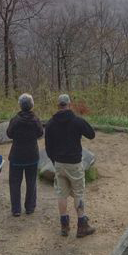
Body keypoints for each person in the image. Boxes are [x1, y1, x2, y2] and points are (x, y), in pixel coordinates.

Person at [44, 93, 96, 238]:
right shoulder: (77, 121)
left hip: (59, 163)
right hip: (74, 163)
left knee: (62, 194)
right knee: (78, 193)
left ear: (58, 105)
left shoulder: (51, 123)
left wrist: (54, 161)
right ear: (69, 104)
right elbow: (91, 134)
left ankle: (64, 226)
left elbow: (48, 147)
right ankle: (81, 226)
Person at [7, 93, 43, 217]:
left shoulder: (15, 120)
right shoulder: (36, 120)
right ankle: (30, 207)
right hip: (32, 156)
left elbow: (9, 134)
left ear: (20, 105)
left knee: (14, 183)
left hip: (16, 156)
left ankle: (16, 209)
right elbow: (40, 133)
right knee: (31, 182)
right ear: (31, 105)